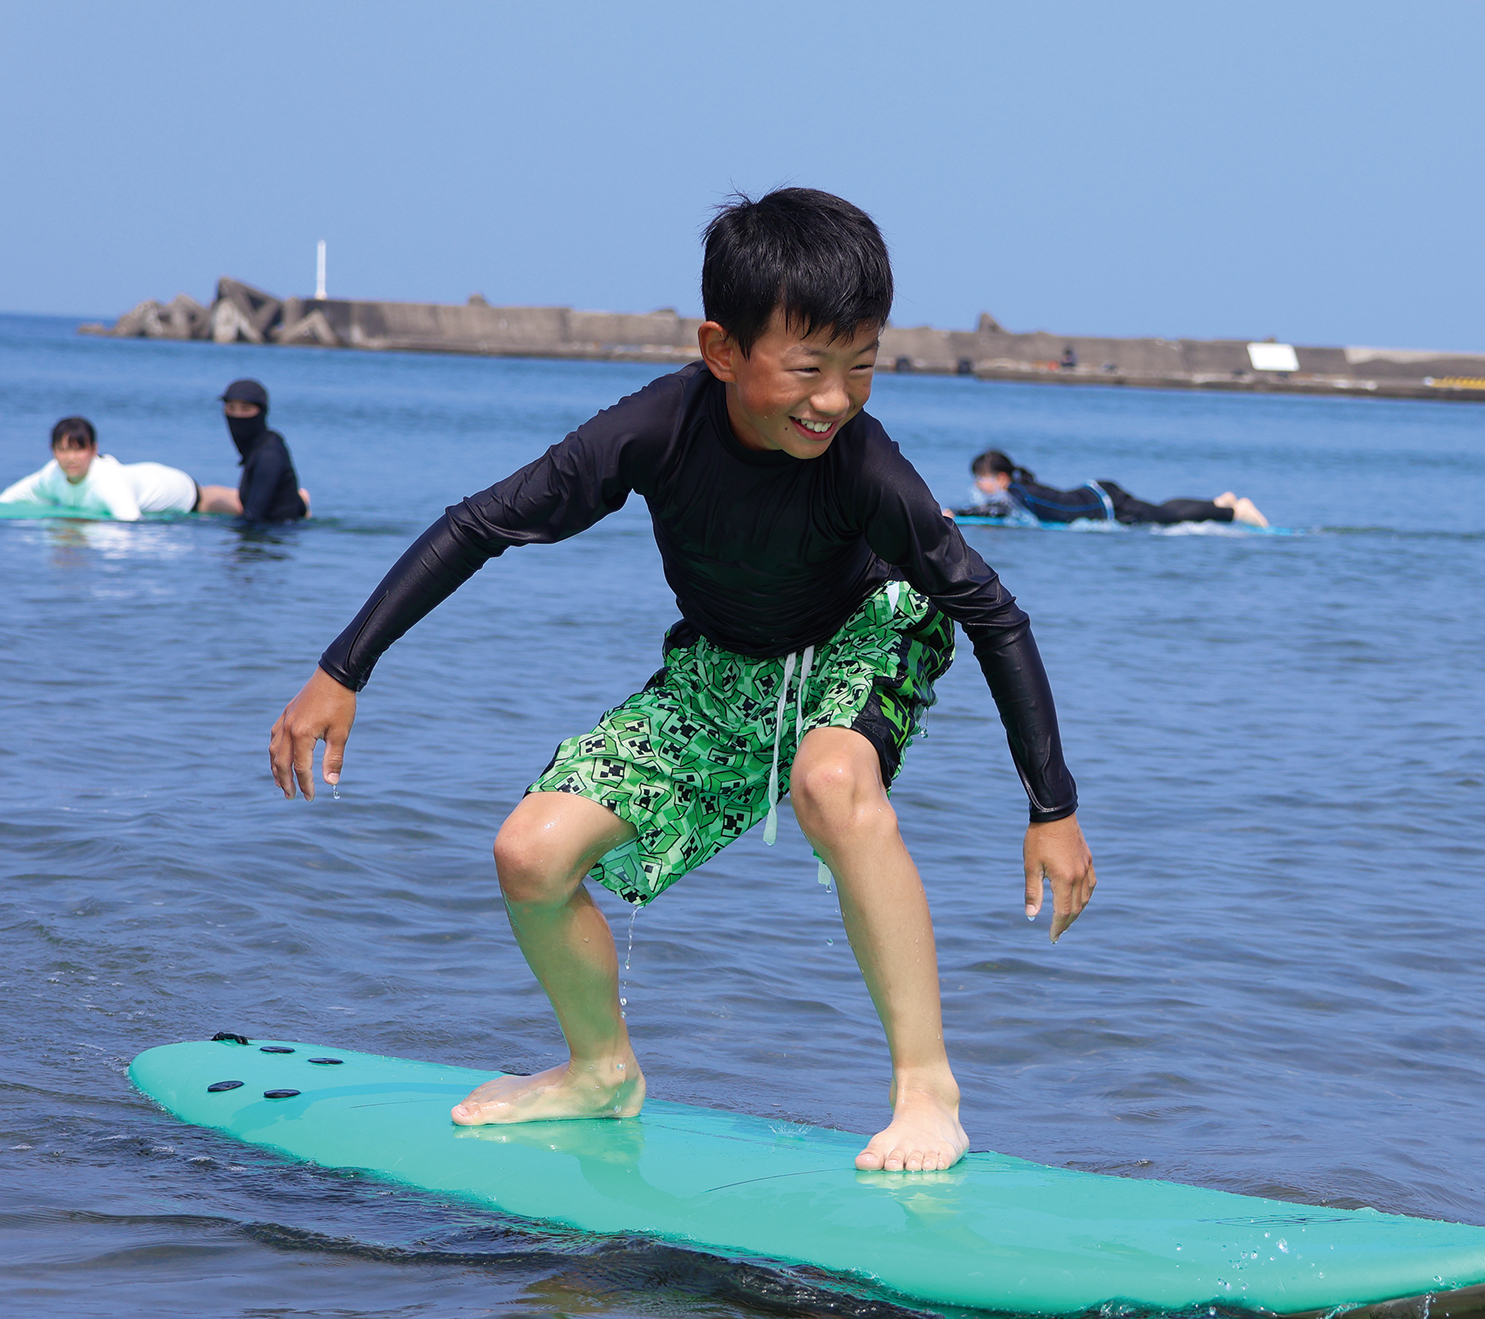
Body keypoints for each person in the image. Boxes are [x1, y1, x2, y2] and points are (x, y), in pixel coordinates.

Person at [267, 189, 1095, 1174]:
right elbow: (479, 523)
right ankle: (600, 1072)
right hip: (726, 661)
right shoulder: (650, 432)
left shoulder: (868, 469)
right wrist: (341, 667)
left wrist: (1052, 805)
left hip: (872, 630)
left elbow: (992, 610)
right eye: (809, 368)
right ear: (721, 350)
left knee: (832, 782)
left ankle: (927, 1092)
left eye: (862, 366)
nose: (835, 399)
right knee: (530, 853)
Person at [950, 450, 1269, 527]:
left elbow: (992, 510)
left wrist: (956, 513)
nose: (980, 484)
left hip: (1106, 502)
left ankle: (1233, 511)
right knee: (1161, 510)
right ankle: (1218, 501)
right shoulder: (1019, 491)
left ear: (1002, 478)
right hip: (1098, 494)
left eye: (984, 478)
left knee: (1166, 518)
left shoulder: (1015, 495)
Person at [2, 416, 206, 520]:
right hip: (144, 476)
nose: (70, 458)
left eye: (78, 450)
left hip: (185, 493)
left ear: (93, 449)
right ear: (52, 451)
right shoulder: (51, 474)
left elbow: (131, 523)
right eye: (62, 450)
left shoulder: (108, 483)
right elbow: (8, 499)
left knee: (232, 503)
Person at [213, 379, 311, 520]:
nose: (237, 416)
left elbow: (253, 518)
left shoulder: (269, 455)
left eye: (246, 409)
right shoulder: (262, 446)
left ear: (262, 412)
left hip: (276, 537)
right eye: (231, 408)